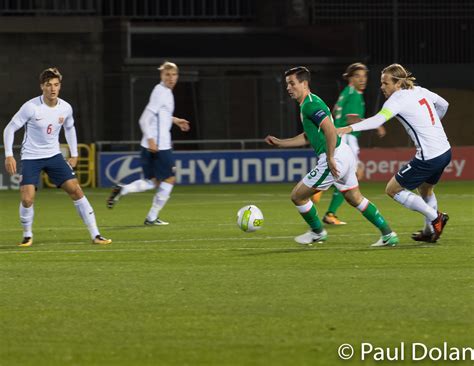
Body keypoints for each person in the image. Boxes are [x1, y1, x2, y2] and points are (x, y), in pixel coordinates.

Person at [265, 66, 398, 247]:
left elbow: (329, 129)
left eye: (292, 83)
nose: (288, 88)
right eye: (288, 84)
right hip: (344, 153)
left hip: (336, 156)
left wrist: (329, 157)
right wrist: (281, 143)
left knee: (298, 196)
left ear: (304, 83)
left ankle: (317, 232)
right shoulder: (310, 102)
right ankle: (388, 234)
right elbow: (308, 136)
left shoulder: (310, 104)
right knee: (354, 198)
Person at [337, 64, 450, 243]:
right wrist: (434, 125)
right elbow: (444, 104)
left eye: (386, 83)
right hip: (445, 150)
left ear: (397, 83)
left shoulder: (397, 99)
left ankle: (436, 218)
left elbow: (377, 121)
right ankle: (429, 232)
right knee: (425, 188)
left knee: (392, 189)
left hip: (429, 156)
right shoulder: (420, 90)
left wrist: (349, 128)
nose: (382, 87)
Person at [3, 67, 112, 247]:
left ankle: (96, 234)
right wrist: (9, 155)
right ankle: (27, 235)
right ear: (42, 87)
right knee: (27, 198)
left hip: (54, 156)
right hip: (31, 156)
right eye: (48, 85)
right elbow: (10, 129)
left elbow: (70, 128)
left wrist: (74, 153)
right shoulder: (31, 107)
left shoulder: (65, 108)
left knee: (76, 191)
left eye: (56, 85)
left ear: (60, 86)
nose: (52, 89)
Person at [107, 61, 190, 225]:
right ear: (161, 75)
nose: (171, 78)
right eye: (167, 74)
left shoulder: (162, 91)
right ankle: (152, 217)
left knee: (152, 181)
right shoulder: (162, 93)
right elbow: (144, 119)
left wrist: (175, 120)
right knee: (170, 179)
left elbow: (160, 115)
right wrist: (152, 140)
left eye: (174, 75)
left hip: (150, 144)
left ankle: (123, 189)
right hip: (159, 145)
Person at [320, 63, 386, 226]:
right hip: (347, 138)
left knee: (346, 175)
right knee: (352, 175)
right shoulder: (355, 95)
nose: (362, 80)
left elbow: (335, 110)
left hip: (341, 137)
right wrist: (374, 123)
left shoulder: (346, 93)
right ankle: (327, 206)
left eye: (364, 76)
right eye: (358, 76)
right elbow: (351, 119)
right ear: (350, 78)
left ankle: (325, 202)